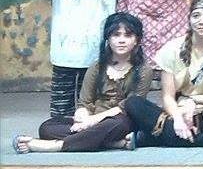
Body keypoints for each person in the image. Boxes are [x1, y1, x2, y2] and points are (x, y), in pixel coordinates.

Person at [12, 12, 153, 153]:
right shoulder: (97, 67)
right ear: (108, 39)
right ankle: (115, 143)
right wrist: (83, 117)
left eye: (128, 36)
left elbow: (129, 106)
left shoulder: (143, 70)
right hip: (93, 118)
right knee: (47, 128)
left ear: (137, 40)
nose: (121, 40)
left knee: (118, 124)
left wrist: (92, 122)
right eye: (116, 35)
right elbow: (85, 102)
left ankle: (55, 146)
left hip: (121, 120)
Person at [124, 0, 203, 148]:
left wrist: (193, 100)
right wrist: (178, 118)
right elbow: (168, 97)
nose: (202, 21)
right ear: (189, 20)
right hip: (176, 112)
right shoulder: (172, 49)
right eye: (196, 16)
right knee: (133, 103)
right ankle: (202, 139)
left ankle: (158, 138)